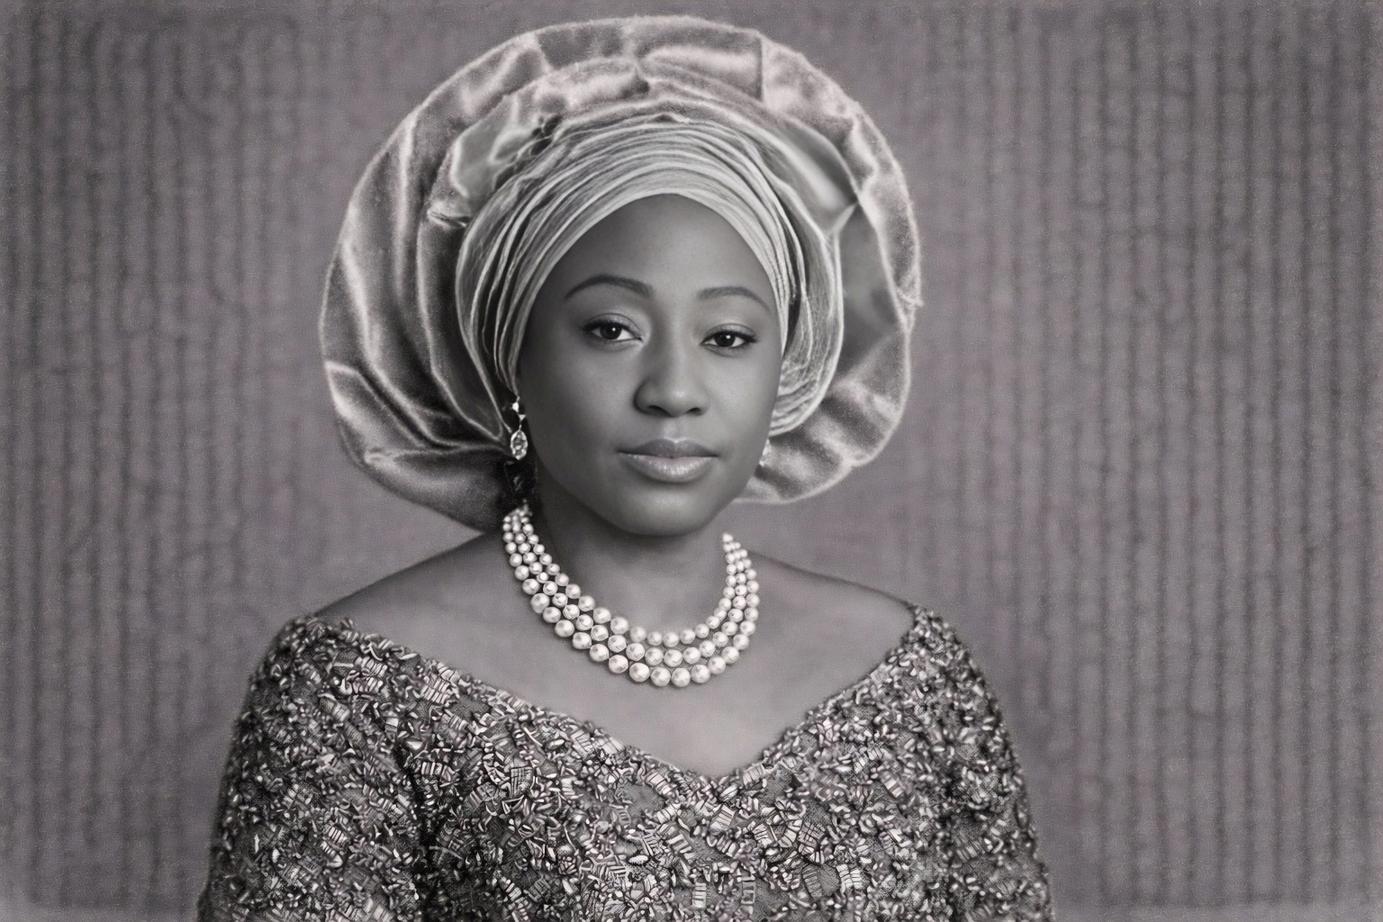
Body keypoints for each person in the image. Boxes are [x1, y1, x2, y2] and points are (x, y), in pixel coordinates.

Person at [197, 14, 1053, 921]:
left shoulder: (910, 674)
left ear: (789, 371)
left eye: (728, 337)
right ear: (509, 357)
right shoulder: (358, 686)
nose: (673, 390)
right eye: (610, 329)